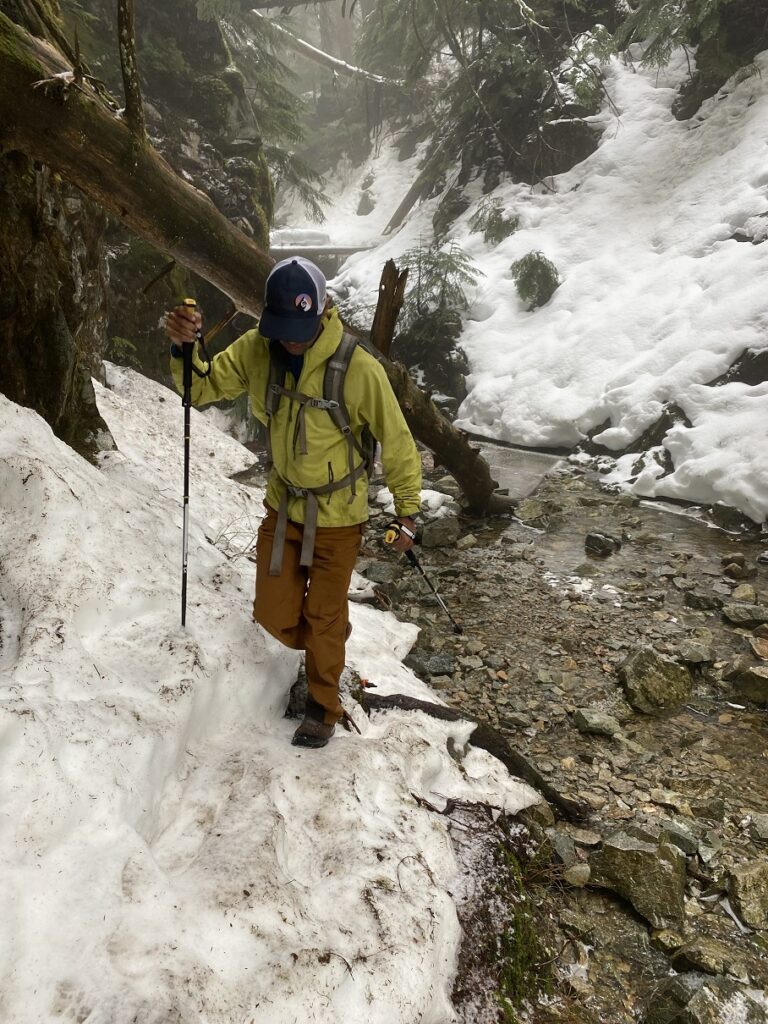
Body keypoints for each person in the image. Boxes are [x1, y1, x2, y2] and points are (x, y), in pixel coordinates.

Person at [165, 257, 422, 748]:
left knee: (323, 617)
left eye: (300, 329)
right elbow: (196, 388)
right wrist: (183, 347)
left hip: (339, 519)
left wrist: (407, 511)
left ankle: (323, 705)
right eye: (284, 329)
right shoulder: (258, 350)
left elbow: (398, 440)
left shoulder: (359, 368)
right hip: (283, 509)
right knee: (275, 614)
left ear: (324, 308)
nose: (292, 340)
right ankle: (329, 643)